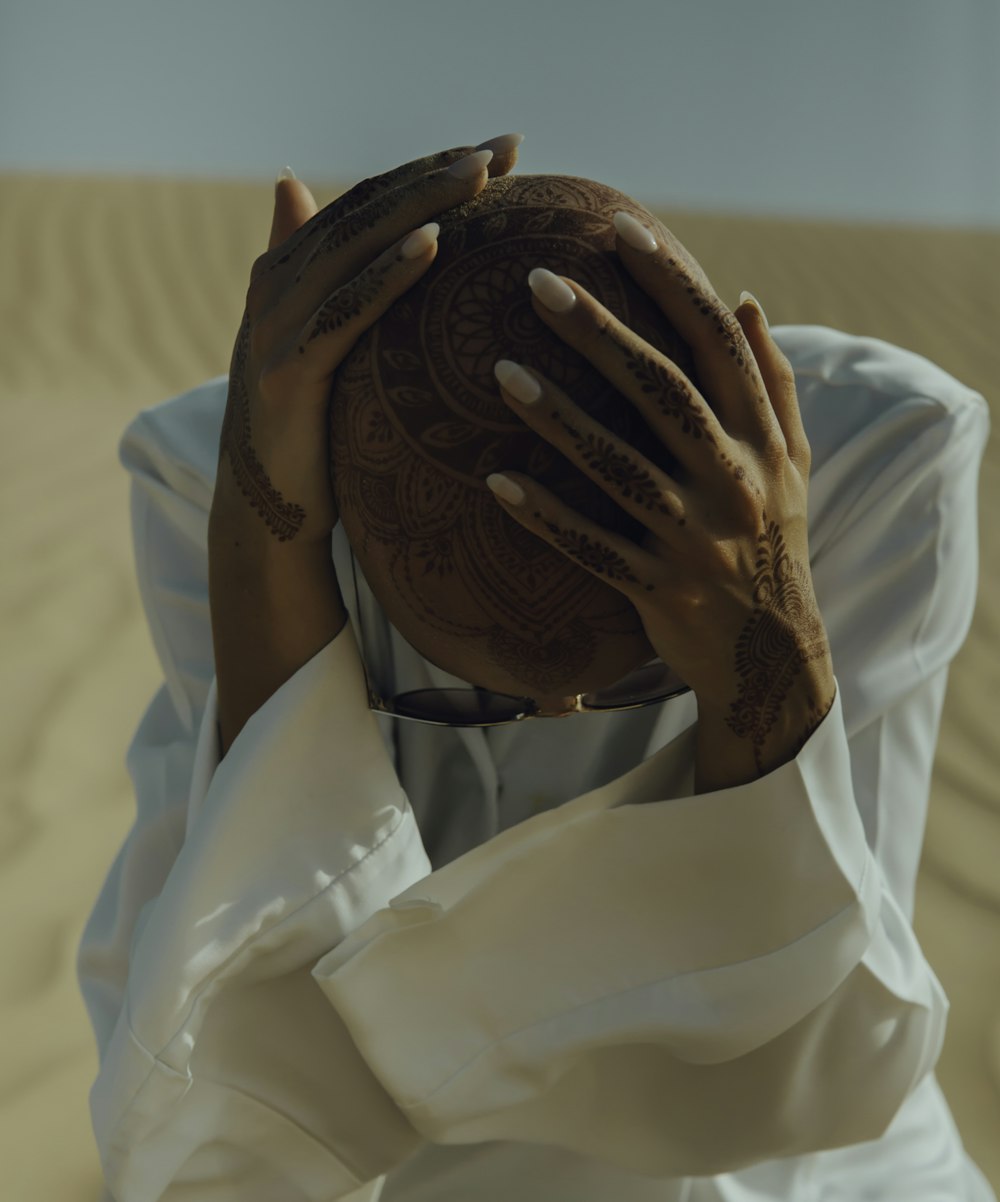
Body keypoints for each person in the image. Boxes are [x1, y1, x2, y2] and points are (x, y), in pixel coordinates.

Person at [77, 133, 996, 1201]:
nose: (553, 710)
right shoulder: (222, 476)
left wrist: (765, 659)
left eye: (631, 682)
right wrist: (264, 555)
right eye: (444, 698)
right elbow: (216, 1119)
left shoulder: (873, 457)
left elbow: (817, 1074)